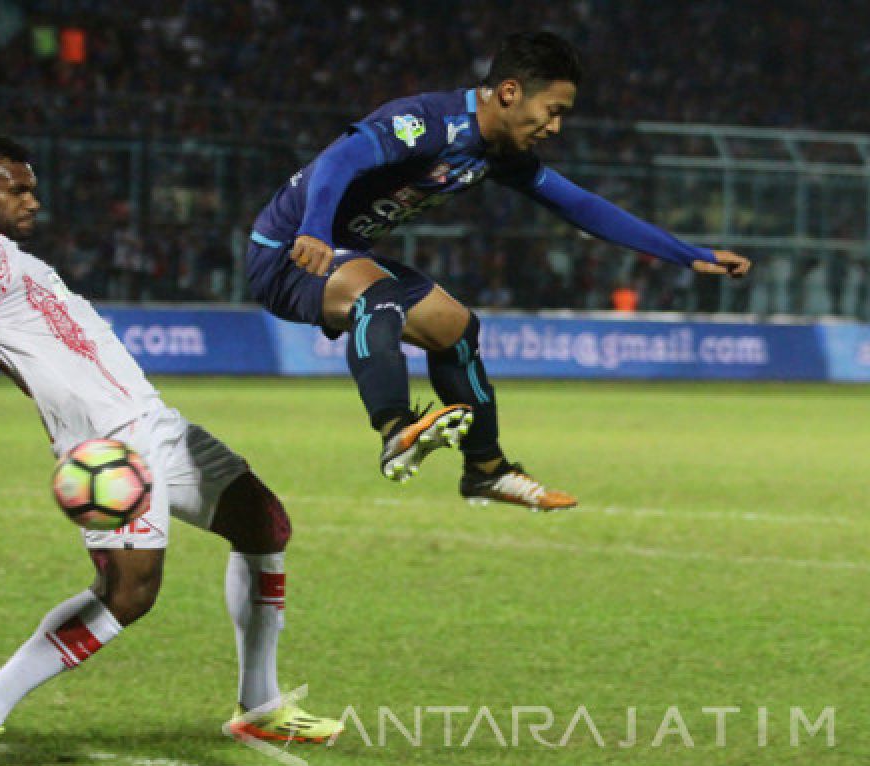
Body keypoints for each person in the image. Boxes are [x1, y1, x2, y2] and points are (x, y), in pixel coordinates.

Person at [0, 137, 341, 766]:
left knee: (263, 524)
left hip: (156, 425)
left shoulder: (7, 257)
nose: (33, 199)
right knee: (128, 595)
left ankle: (260, 705)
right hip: (106, 451)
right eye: (15, 189)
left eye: (31, 186)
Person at [245, 31, 753, 511]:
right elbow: (339, 159)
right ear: (510, 92)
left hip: (343, 252)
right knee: (381, 297)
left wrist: (687, 252)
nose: (555, 127)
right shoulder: (427, 121)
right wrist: (313, 228)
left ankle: (485, 469)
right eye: (553, 111)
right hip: (288, 252)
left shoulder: (498, 153)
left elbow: (583, 207)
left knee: (458, 331)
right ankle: (396, 428)